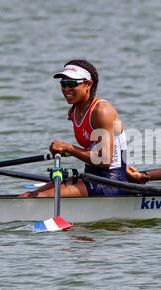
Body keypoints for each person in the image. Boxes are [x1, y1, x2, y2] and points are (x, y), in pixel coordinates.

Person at [20, 59, 128, 197]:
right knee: (27, 195)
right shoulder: (74, 112)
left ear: (88, 84)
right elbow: (99, 147)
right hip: (91, 176)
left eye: (72, 84)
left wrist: (68, 148)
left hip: (111, 182)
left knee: (41, 197)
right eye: (63, 84)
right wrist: (69, 151)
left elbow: (104, 160)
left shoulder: (102, 111)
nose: (66, 89)